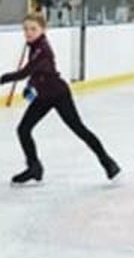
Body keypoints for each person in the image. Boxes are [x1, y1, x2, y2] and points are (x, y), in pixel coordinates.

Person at [2, 12, 120, 185]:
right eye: (26, 29)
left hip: (58, 94)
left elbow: (24, 72)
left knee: (79, 129)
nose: (28, 32)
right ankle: (34, 167)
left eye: (33, 29)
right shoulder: (34, 46)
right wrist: (30, 86)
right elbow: (37, 73)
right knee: (23, 129)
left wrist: (3, 79)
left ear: (43, 29)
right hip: (43, 96)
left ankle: (108, 163)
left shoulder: (42, 49)